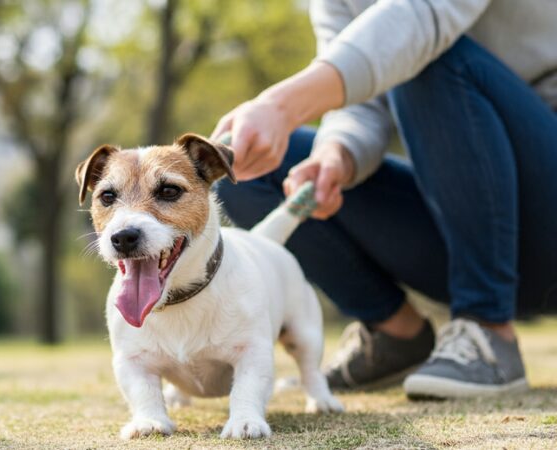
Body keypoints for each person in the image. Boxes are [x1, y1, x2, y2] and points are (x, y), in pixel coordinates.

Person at [213, 0, 557, 399]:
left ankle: (487, 327)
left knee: (421, 53)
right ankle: (395, 335)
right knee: (247, 173)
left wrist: (281, 105)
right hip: (477, 227)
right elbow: (358, 101)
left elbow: (419, 19)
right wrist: (336, 155)